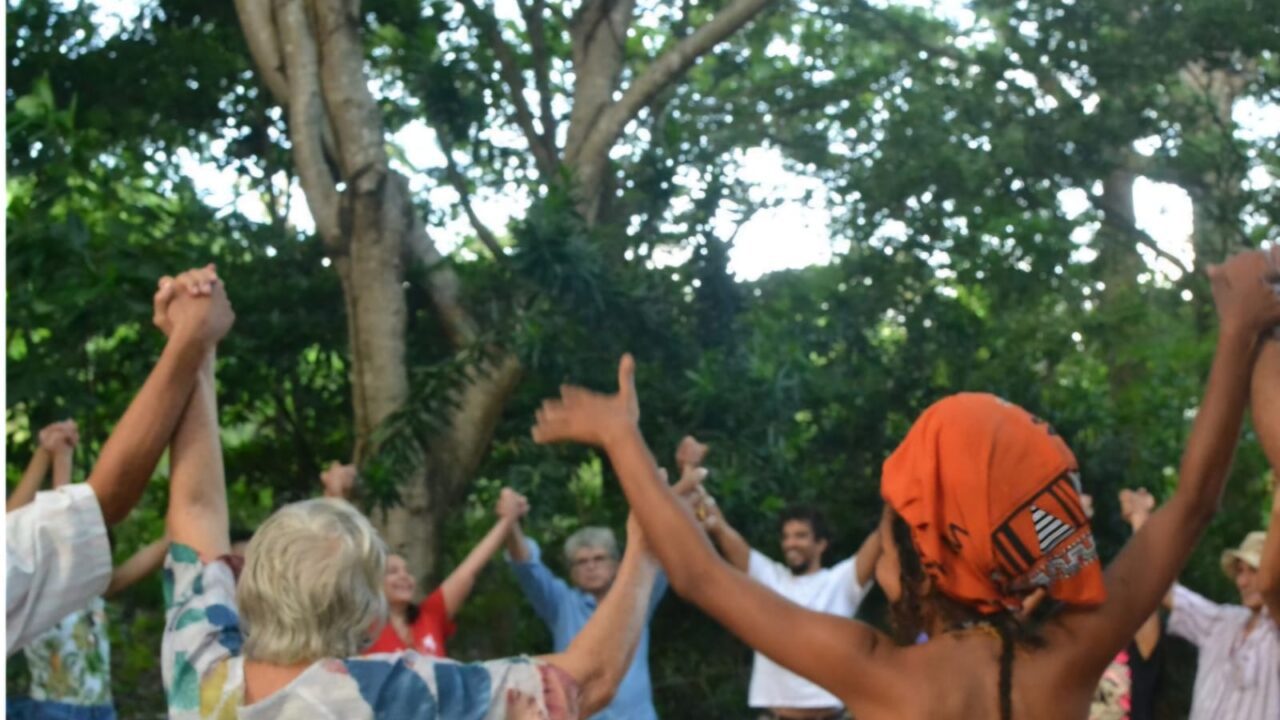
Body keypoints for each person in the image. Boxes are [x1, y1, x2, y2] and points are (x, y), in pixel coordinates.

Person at [529, 247, 1280, 720]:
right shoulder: (1076, 653)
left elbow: (694, 571)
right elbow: (1192, 503)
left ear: (914, 564)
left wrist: (622, 439)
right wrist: (1240, 332)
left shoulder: (880, 674)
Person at [155, 266, 662, 719]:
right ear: (366, 614)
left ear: (248, 588)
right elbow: (588, 678)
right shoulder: (397, 693)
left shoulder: (201, 674)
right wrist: (646, 538)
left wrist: (193, 343)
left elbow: (195, 511)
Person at [7, 264, 233, 654]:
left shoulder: (206, 682)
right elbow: (84, 513)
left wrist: (192, 341)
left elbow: (62, 523)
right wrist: (192, 340)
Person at [682, 438, 881, 720]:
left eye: (800, 536)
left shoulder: (841, 581)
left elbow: (882, 537)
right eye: (786, 536)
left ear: (821, 543)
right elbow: (717, 526)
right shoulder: (767, 578)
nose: (790, 543)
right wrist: (691, 472)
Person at [1157, 331, 1280, 720]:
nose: (1244, 580)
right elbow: (1160, 588)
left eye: (1253, 569)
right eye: (1240, 570)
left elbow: (1272, 587)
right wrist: (1140, 522)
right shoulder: (1221, 622)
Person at [504, 492, 669, 720]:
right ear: (572, 573)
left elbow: (666, 550)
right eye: (581, 561)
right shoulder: (560, 603)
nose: (591, 567)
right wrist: (510, 523)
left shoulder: (638, 596)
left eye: (599, 558)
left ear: (616, 564)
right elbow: (526, 567)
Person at [365, 486, 532, 657]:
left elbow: (469, 570)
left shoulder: (430, 614)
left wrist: (506, 520)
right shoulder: (362, 629)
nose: (404, 576)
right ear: (373, 583)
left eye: (407, 571)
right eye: (392, 571)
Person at [1083, 490, 1163, 720]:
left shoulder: (1137, 651)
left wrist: (1140, 521)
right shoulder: (1072, 654)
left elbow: (1148, 590)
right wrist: (1071, 523)